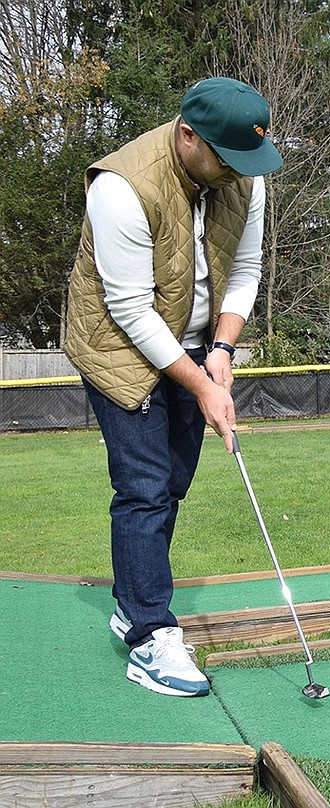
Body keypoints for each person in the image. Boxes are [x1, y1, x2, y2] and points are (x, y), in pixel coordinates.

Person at [64, 77, 283, 697]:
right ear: (188, 136)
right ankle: (149, 634)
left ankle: (132, 598)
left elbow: (243, 271)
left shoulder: (244, 174)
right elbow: (131, 309)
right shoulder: (120, 187)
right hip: (117, 343)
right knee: (144, 486)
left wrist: (221, 350)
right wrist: (203, 388)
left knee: (174, 481)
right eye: (227, 159)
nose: (238, 173)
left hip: (192, 338)